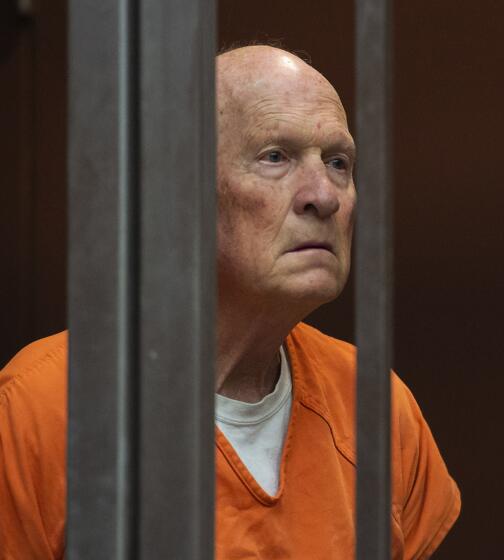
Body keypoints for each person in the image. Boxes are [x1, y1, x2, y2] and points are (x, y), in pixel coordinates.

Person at [0, 45, 460, 559]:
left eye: (338, 162)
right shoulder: (44, 407)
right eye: (275, 157)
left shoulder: (374, 405)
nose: (324, 196)